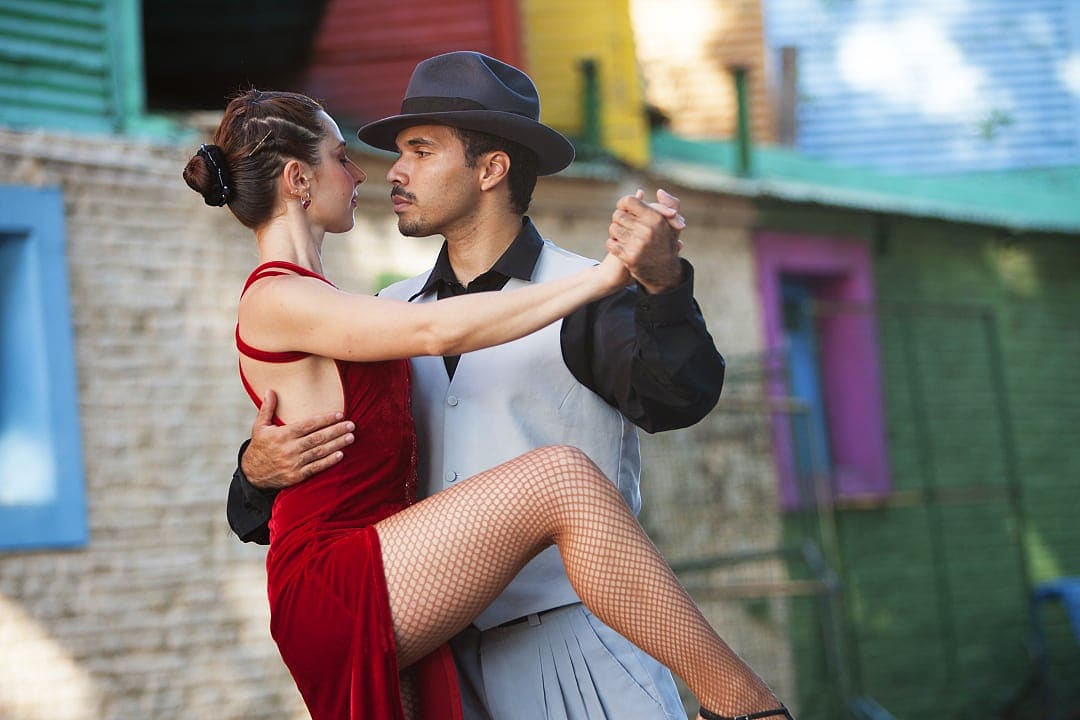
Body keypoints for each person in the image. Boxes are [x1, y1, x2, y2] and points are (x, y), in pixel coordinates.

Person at [220, 55, 788, 720]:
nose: (390, 173)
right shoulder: (390, 310)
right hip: (443, 652)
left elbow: (679, 396)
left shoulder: (577, 295)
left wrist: (659, 285)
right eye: (389, 153)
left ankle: (745, 707)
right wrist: (254, 475)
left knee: (563, 479)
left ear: (491, 170)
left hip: (574, 652)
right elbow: (324, 463)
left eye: (421, 151)